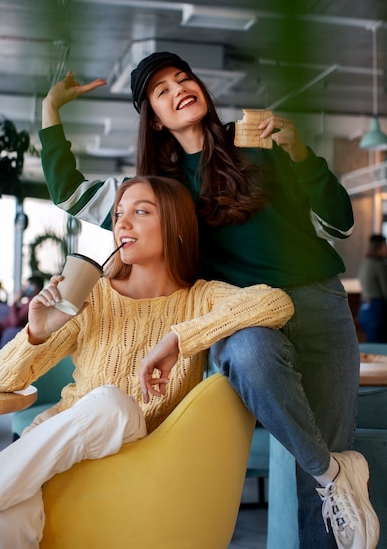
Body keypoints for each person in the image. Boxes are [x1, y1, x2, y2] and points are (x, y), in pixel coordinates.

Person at [38, 56, 379, 549]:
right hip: (243, 314)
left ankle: (330, 478)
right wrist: (50, 108)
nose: (179, 90)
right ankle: (333, 473)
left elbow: (338, 225)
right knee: (246, 358)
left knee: (324, 487)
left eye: (184, 79)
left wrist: (302, 157)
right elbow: (69, 193)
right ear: (154, 119)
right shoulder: (164, 192)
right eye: (161, 91)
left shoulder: (258, 145)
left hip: (319, 302)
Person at [0, 175, 294, 549]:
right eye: (119, 213)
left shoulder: (199, 299)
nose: (121, 223)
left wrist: (179, 337)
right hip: (56, 450)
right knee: (6, 518)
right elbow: (3, 376)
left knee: (113, 404)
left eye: (140, 212)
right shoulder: (93, 297)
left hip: (136, 455)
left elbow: (276, 303)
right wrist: (37, 331)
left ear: (175, 226)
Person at [0, 274, 44, 339]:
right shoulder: (30, 301)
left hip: (3, 331)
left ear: (33, 287)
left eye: (25, 286)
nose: (23, 289)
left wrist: (14, 302)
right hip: (2, 329)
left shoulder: (32, 303)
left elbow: (15, 323)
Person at [358, 233, 387, 343]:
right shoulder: (379, 265)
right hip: (377, 310)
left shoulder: (365, 264)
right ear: (378, 248)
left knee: (371, 348)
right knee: (379, 350)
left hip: (364, 309)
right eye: (385, 246)